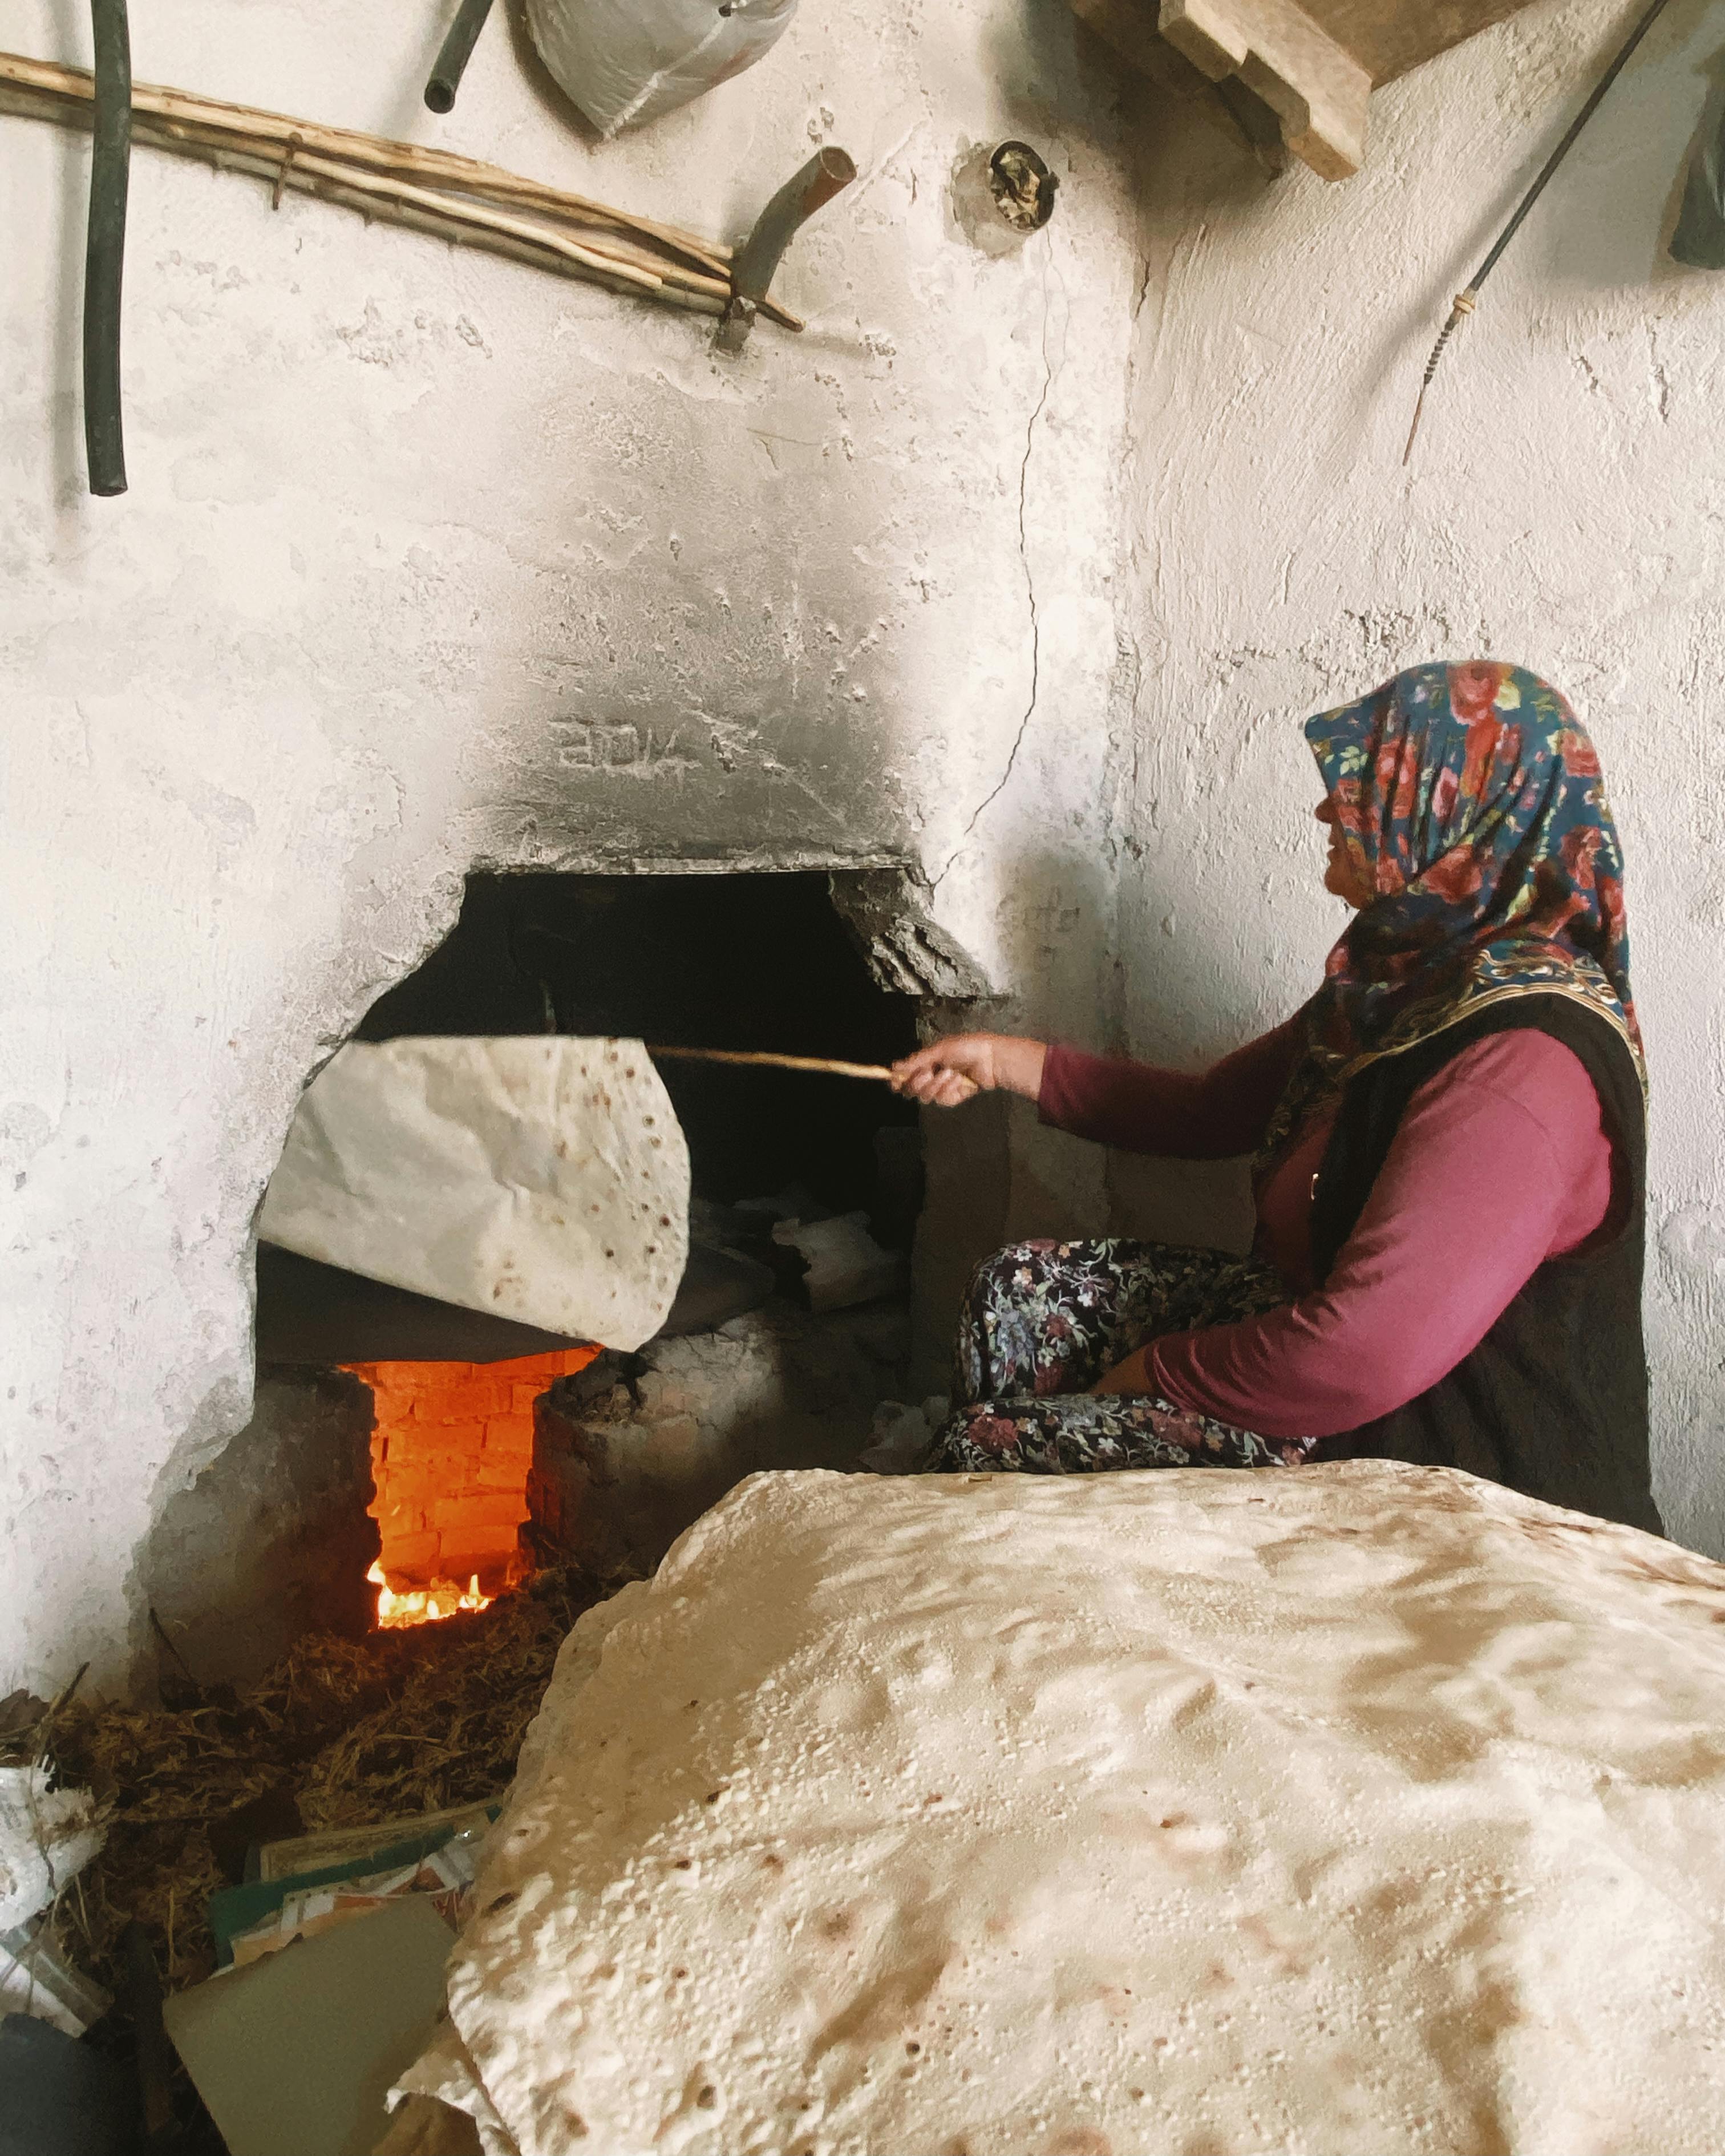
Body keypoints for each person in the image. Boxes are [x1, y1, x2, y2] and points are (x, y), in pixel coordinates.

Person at [892, 661, 1659, 1534]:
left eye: (1366, 790)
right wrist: (1004, 1060)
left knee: (983, 1448)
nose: (1329, 811)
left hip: (1434, 1454)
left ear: (1457, 815)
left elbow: (1366, 1350)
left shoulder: (1522, 1063)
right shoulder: (1406, 980)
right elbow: (1217, 1111)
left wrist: (1157, 1370)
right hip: (1345, 1354)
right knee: (1015, 1292)